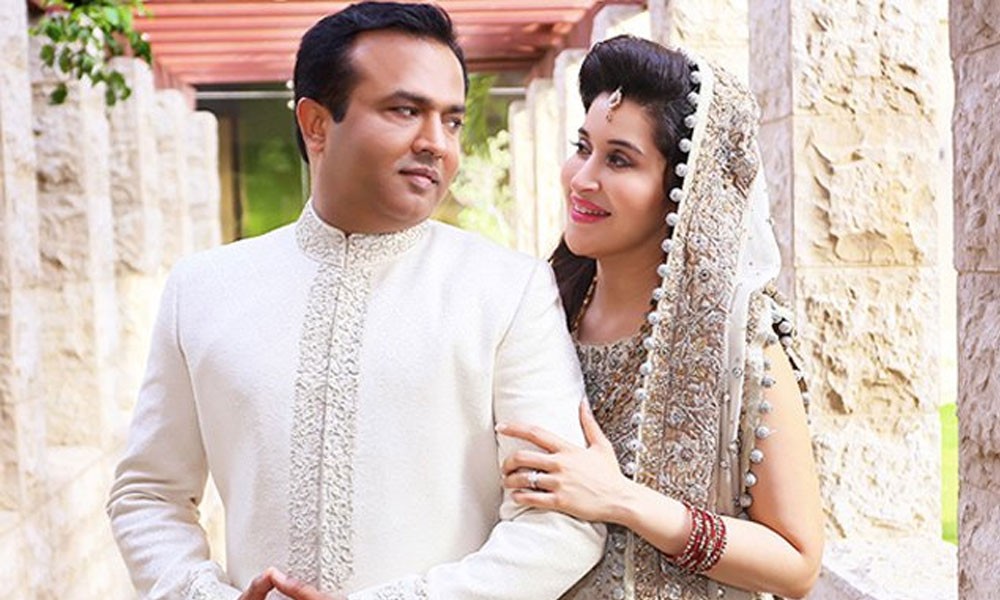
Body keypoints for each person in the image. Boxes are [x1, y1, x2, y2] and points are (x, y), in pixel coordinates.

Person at [107, 4, 605, 599]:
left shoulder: (506, 290)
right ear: (317, 123)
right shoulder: (203, 289)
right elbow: (148, 494)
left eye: (451, 120)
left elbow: (561, 521)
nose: (436, 143)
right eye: (405, 111)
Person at [497, 36, 824, 599]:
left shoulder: (739, 343)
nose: (582, 178)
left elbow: (797, 562)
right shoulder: (538, 315)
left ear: (682, 191)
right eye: (583, 147)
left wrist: (622, 500)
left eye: (619, 159)